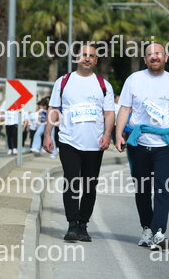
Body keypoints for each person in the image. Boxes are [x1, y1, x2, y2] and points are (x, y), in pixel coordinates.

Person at [43, 44, 114, 242]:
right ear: (76, 58)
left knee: (89, 186)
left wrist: (108, 134)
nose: (87, 58)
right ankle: (72, 225)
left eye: (91, 56)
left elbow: (109, 113)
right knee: (71, 181)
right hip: (69, 141)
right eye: (84, 55)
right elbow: (54, 109)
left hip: (94, 144)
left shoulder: (103, 85)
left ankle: (83, 225)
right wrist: (47, 134)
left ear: (96, 60)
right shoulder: (63, 81)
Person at [116, 43, 169, 250]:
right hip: (139, 144)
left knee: (163, 188)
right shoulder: (134, 80)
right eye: (150, 54)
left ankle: (158, 232)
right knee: (142, 189)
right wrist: (118, 135)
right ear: (144, 59)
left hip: (164, 144)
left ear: (166, 57)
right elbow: (125, 108)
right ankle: (147, 228)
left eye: (158, 53)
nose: (154, 57)